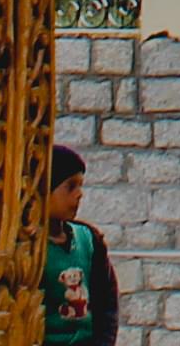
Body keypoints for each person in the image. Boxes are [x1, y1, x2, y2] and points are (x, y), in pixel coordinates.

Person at [37, 146, 119, 346]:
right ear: (45, 189)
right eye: (70, 186)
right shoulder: (30, 248)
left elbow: (106, 303)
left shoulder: (88, 240)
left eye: (81, 186)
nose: (79, 194)